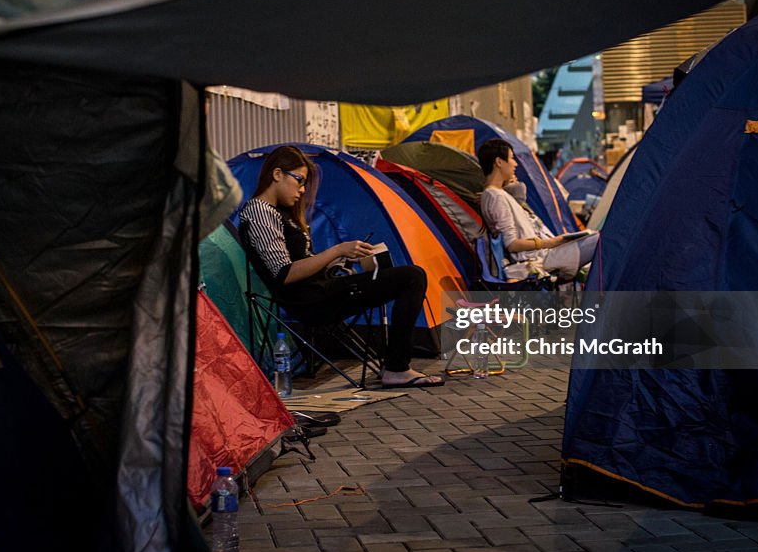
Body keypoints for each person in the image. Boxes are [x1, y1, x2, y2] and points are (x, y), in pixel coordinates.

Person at [238, 145, 444, 388]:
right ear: (277, 174)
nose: (302, 190)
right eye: (299, 181)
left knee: (401, 274)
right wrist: (336, 250)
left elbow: (300, 261)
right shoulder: (259, 212)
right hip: (311, 301)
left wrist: (343, 259)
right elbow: (284, 273)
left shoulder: (279, 213)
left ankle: (395, 364)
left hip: (321, 291)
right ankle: (397, 367)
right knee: (411, 277)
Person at [476, 139, 598, 281]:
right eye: (511, 158)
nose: (515, 163)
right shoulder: (495, 196)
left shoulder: (496, 194)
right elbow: (511, 244)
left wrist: (511, 188)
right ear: (499, 162)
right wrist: (550, 242)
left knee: (596, 237)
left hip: (544, 253)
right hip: (542, 257)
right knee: (602, 239)